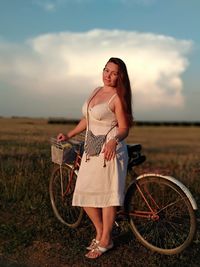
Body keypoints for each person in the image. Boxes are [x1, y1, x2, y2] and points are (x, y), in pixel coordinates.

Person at [57, 57, 133, 259]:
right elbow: (87, 119)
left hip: (110, 150)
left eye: (114, 73)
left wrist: (114, 141)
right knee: (83, 190)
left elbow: (124, 128)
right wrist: (70, 134)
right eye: (106, 70)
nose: (108, 75)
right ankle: (100, 232)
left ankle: (106, 239)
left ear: (120, 76)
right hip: (91, 147)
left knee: (108, 196)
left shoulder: (118, 97)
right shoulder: (96, 91)